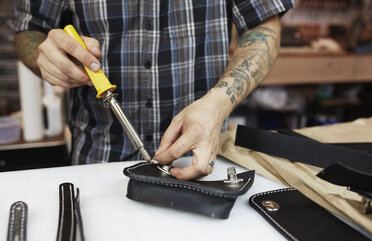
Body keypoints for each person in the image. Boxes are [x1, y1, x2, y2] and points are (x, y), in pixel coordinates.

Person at [11, 0, 294, 179]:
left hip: (203, 156)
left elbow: (263, 24)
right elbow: (30, 28)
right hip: (97, 159)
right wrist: (47, 57)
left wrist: (218, 103)